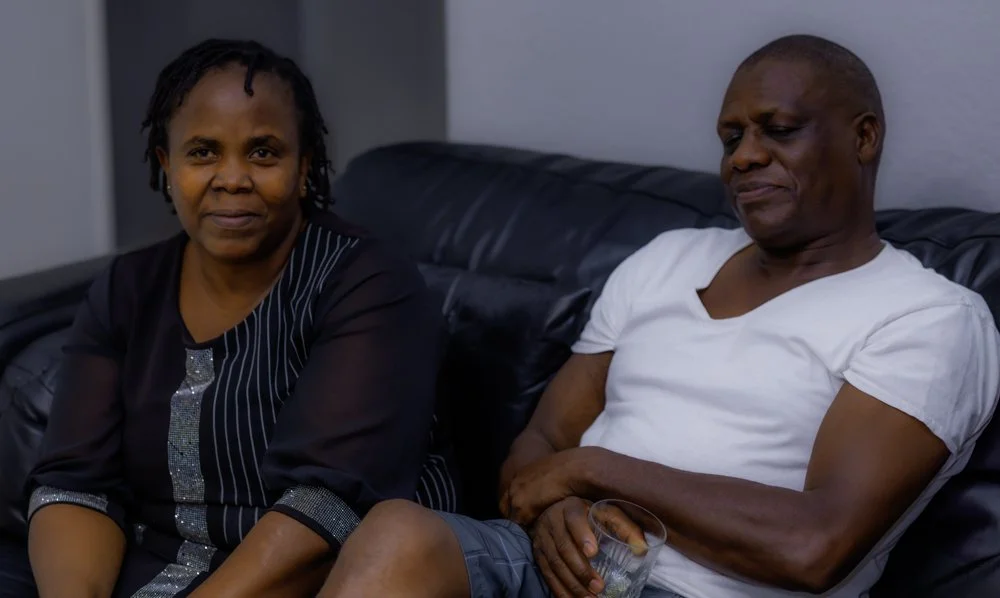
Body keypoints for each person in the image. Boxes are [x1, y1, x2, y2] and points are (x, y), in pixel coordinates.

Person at [314, 34, 1000, 598]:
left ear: (865, 137)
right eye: (731, 138)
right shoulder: (668, 259)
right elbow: (541, 444)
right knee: (397, 533)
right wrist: (560, 512)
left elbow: (814, 547)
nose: (745, 157)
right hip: (563, 565)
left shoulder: (927, 319)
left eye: (779, 130)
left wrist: (595, 473)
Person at [4, 39, 456, 598]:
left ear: (304, 163)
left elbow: (330, 504)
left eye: (264, 152)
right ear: (166, 164)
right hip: (151, 574)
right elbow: (77, 484)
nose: (233, 178)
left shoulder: (368, 284)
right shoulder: (128, 289)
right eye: (203, 152)